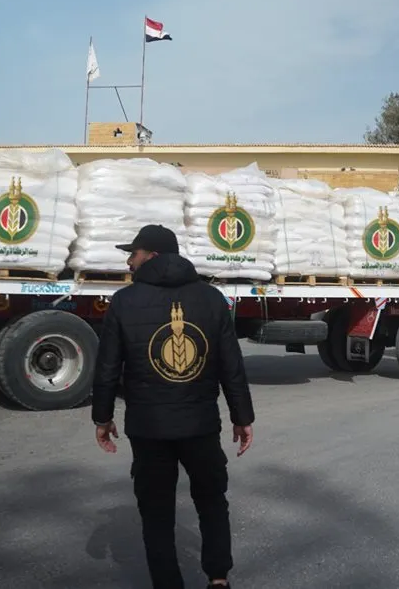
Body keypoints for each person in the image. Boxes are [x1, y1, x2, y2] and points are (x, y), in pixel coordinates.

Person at [91, 224, 255, 589]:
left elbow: (107, 367)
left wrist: (102, 417)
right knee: (211, 501)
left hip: (148, 428)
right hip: (200, 425)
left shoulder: (125, 302)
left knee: (156, 513)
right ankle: (218, 579)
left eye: (132, 254)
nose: (129, 262)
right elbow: (231, 366)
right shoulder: (211, 299)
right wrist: (241, 417)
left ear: (152, 255)